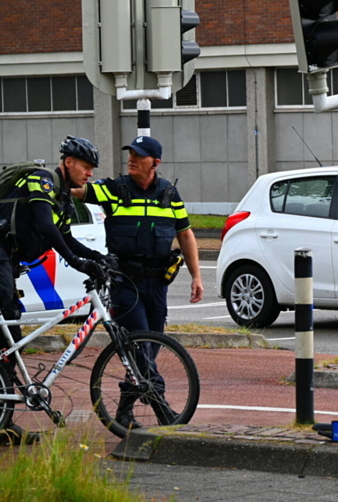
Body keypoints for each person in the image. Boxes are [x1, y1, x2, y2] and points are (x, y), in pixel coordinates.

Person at [73, 135, 203, 429]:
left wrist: (197, 276)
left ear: (155, 162)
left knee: (146, 351)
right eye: (130, 153)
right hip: (125, 285)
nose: (131, 159)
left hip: (158, 285)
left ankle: (123, 414)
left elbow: (185, 234)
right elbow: (76, 189)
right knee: (141, 348)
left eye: (138, 155)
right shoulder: (113, 189)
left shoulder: (170, 194)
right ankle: (163, 409)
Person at [0, 136, 111, 442]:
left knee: (10, 340)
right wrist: (77, 262)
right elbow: (46, 228)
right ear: (68, 162)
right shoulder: (43, 181)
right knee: (4, 308)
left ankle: (4, 423)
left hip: (7, 257)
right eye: (86, 167)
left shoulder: (62, 197)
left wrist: (98, 258)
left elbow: (66, 237)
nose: (89, 173)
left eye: (92, 169)